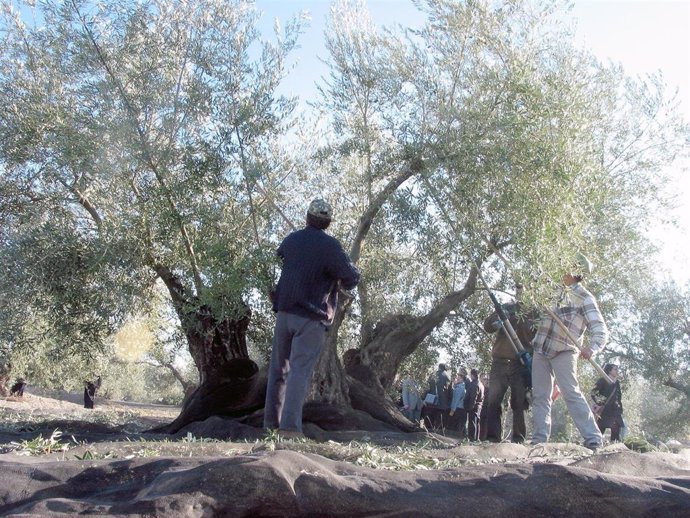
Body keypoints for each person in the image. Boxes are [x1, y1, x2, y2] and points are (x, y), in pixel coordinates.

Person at [264, 199, 360, 438]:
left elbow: (278, 258)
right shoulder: (331, 247)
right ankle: (289, 430)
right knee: (299, 372)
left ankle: (270, 426)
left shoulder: (291, 239)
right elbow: (351, 277)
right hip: (310, 318)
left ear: (307, 217)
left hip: (284, 314)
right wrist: (344, 277)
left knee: (278, 371)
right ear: (328, 222)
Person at [530, 253, 609, 450]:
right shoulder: (550, 291)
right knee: (540, 395)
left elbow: (600, 329)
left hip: (564, 351)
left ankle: (593, 438)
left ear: (576, 272)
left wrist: (592, 347)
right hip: (541, 349)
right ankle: (539, 441)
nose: (561, 269)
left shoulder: (584, 298)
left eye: (565, 265)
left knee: (571, 393)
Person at [483, 298, 537, 443]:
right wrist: (500, 316)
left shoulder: (535, 313)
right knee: (493, 401)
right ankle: (493, 438)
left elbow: (537, 336)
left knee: (519, 402)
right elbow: (488, 326)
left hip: (520, 363)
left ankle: (518, 439)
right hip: (499, 362)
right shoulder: (506, 307)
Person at [591, 364, 624, 442]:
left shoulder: (617, 382)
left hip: (615, 410)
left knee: (616, 429)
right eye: (615, 369)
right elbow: (594, 392)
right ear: (609, 370)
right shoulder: (602, 380)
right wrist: (601, 402)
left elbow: (618, 396)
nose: (617, 371)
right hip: (605, 410)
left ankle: (614, 446)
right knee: (600, 429)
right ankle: (595, 444)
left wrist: (620, 407)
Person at [463, 368, 484, 441]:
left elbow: (473, 396)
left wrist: (470, 407)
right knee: (477, 422)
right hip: (479, 406)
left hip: (474, 406)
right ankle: (476, 438)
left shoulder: (475, 384)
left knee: (472, 423)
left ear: (472, 375)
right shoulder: (480, 384)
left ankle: (472, 438)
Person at [449, 370, 467, 438]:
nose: (458, 379)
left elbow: (456, 400)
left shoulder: (460, 388)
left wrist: (452, 410)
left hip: (457, 408)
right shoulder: (461, 386)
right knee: (461, 424)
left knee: (457, 425)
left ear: (462, 379)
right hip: (461, 408)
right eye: (458, 378)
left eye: (459, 378)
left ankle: (457, 438)